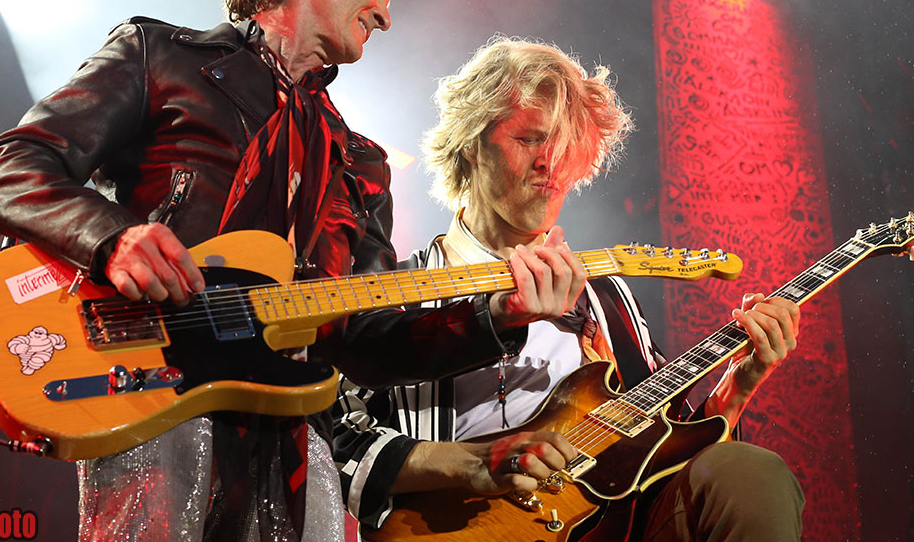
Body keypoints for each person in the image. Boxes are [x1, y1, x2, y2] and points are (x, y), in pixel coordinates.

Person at [0, 0, 583, 542]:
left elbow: (365, 339)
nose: (385, 14)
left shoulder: (358, 163)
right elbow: (9, 165)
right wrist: (112, 238)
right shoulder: (162, 58)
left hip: (294, 440)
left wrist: (497, 317)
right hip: (156, 400)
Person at [332, 37, 806, 540]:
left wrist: (738, 385)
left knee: (749, 472)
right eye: (530, 139)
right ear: (471, 142)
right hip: (458, 528)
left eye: (564, 148)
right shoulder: (399, 292)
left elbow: (667, 450)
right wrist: (473, 463)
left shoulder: (606, 298)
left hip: (616, 527)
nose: (550, 164)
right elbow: (338, 444)